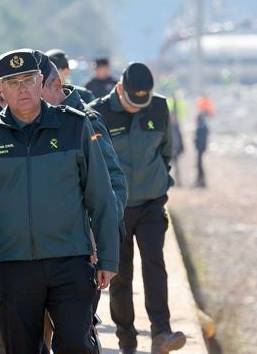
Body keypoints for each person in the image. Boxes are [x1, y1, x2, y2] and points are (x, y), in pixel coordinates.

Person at [0, 49, 120, 354]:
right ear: (0, 88)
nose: (22, 89)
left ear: (41, 82)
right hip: (12, 266)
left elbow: (101, 195)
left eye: (28, 80)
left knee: (75, 343)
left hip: (69, 260)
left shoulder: (75, 127)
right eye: (12, 82)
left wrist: (108, 256)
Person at [89, 63, 187, 354]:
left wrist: (161, 181)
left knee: (155, 265)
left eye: (141, 102)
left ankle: (161, 331)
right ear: (120, 88)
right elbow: (93, 161)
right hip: (116, 210)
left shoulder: (158, 108)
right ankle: (127, 339)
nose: (136, 107)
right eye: (132, 102)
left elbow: (167, 149)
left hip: (151, 205)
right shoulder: (99, 113)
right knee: (120, 275)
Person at [37, 50, 128, 352]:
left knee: (75, 336)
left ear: (52, 86)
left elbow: (113, 184)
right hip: (34, 255)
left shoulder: (86, 122)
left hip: (79, 253)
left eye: (29, 89)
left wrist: (98, 239)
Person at [194, 94, 215, 188]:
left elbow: (201, 136)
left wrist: (198, 145)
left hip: (200, 147)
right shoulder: (204, 123)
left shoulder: (202, 124)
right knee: (199, 163)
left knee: (199, 164)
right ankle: (200, 181)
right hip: (200, 147)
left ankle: (201, 181)